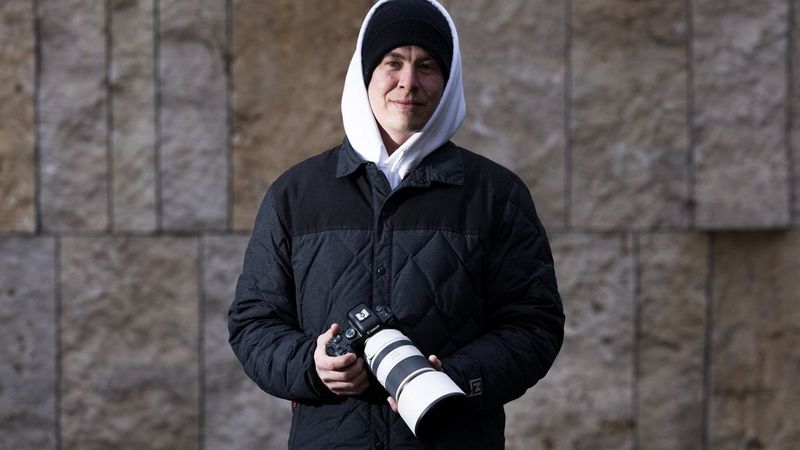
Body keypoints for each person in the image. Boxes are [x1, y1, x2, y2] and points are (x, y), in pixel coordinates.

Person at [228, 0, 565, 448]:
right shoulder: (297, 194)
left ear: (447, 81)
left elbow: (534, 325)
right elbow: (253, 323)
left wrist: (453, 381)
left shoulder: (495, 195)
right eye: (393, 62)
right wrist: (312, 366)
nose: (408, 82)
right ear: (366, 72)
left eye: (426, 65)